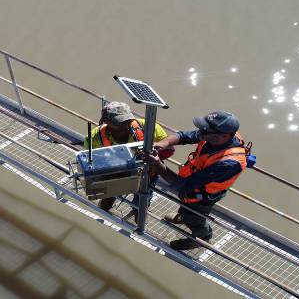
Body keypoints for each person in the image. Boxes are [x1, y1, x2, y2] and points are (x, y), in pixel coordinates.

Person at [144, 110, 249, 250]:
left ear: (223, 136)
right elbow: (183, 136)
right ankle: (183, 215)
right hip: (191, 183)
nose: (201, 132)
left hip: (203, 196)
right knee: (185, 206)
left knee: (194, 217)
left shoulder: (229, 163)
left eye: (206, 130)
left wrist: (157, 165)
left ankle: (202, 237)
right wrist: (163, 143)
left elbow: (185, 185)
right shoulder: (215, 135)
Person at [85, 101, 169, 211]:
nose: (125, 125)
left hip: (145, 175)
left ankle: (138, 217)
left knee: (140, 207)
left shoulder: (148, 127)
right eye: (119, 123)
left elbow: (169, 149)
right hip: (115, 173)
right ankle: (105, 206)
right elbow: (89, 160)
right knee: (106, 202)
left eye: (128, 121)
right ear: (105, 121)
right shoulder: (94, 137)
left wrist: (156, 152)